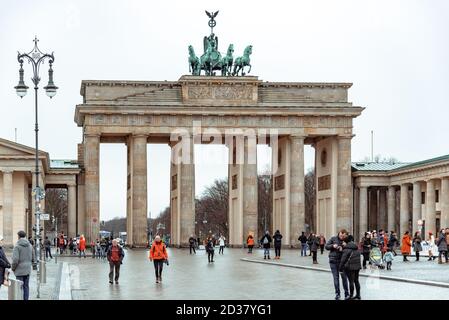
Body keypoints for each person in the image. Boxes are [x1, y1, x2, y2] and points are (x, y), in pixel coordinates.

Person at [325, 229, 349, 300]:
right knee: (336, 278)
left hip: (342, 262)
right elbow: (326, 246)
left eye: (344, 236)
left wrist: (345, 247)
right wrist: (333, 246)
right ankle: (337, 294)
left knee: (344, 278)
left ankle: (346, 294)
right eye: (341, 236)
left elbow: (351, 249)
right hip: (333, 261)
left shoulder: (346, 240)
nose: (342, 237)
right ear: (340, 233)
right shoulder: (333, 238)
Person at [12, 231, 35, 300]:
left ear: (18, 236)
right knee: (26, 286)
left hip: (19, 270)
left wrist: (13, 268)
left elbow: (15, 260)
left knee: (19, 287)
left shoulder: (17, 246)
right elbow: (33, 257)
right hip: (27, 270)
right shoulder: (30, 246)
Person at [339, 235, 361, 300]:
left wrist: (340, 269)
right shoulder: (356, 247)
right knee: (356, 281)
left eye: (343, 242)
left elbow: (343, 260)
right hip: (357, 267)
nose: (342, 243)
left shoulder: (347, 249)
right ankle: (358, 295)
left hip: (350, 267)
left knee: (351, 281)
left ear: (346, 242)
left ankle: (351, 296)